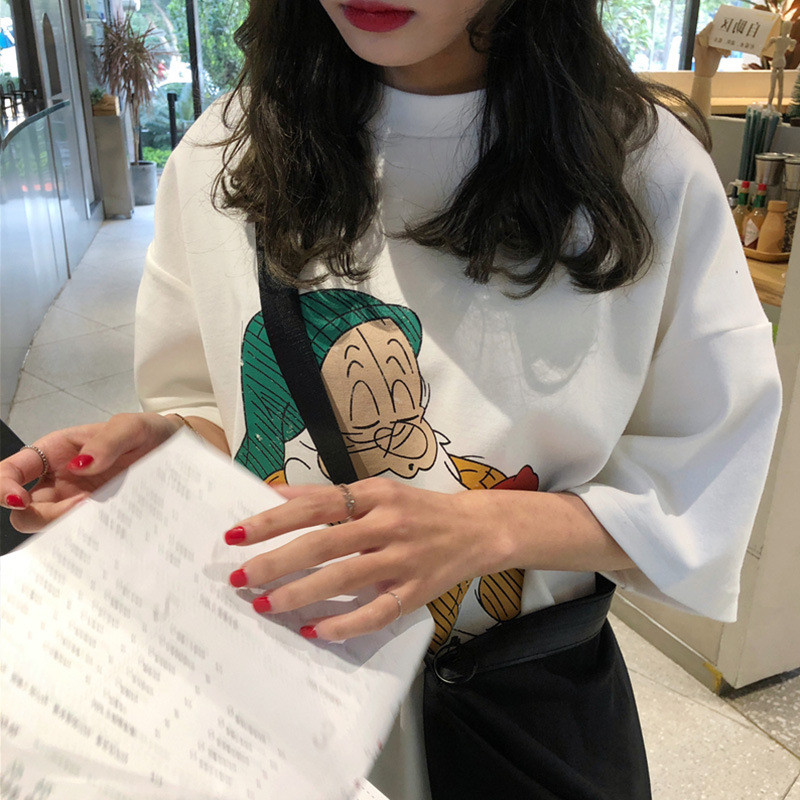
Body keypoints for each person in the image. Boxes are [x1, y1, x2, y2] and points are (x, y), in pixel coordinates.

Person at [1, 1, 783, 798]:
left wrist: (487, 528)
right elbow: (217, 408)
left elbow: (700, 487)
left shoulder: (644, 172)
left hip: (517, 707)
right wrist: (161, 464)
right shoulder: (225, 152)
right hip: (279, 694)